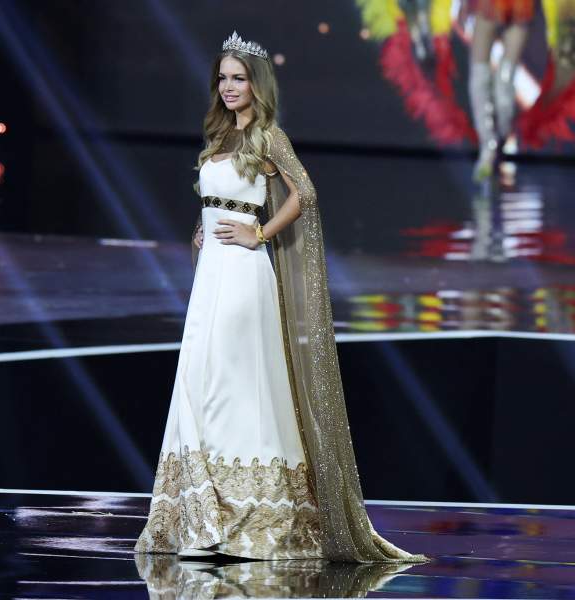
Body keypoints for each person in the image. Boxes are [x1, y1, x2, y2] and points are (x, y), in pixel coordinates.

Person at [134, 31, 427, 563]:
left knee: (229, 381)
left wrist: (259, 234)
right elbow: (217, 201)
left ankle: (251, 514)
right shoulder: (218, 139)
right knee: (197, 377)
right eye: (222, 78)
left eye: (238, 78)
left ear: (256, 84)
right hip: (211, 277)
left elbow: (305, 194)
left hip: (245, 275)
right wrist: (199, 234)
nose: (228, 87)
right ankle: (201, 518)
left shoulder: (268, 137)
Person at [468, 0, 533, 180]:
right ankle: (488, 148)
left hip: (519, 7)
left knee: (504, 86)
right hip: (487, 6)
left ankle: (498, 142)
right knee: (479, 77)